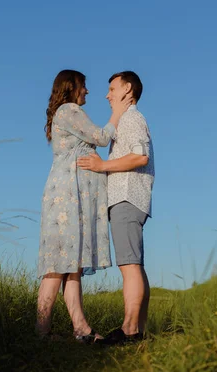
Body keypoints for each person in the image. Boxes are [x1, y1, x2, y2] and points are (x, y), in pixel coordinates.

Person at [36, 69, 131, 343]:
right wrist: (118, 113)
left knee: (71, 265)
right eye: (84, 86)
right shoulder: (68, 109)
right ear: (72, 87)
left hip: (73, 197)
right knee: (57, 265)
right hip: (67, 198)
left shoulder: (66, 112)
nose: (87, 91)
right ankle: (41, 332)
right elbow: (101, 137)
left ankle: (81, 329)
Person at [77, 71, 155, 345]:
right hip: (132, 199)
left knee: (129, 264)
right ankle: (139, 330)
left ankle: (130, 330)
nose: (107, 95)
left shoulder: (132, 118)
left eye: (112, 89)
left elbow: (140, 155)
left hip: (126, 197)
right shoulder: (131, 119)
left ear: (127, 89)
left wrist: (102, 166)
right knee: (135, 264)